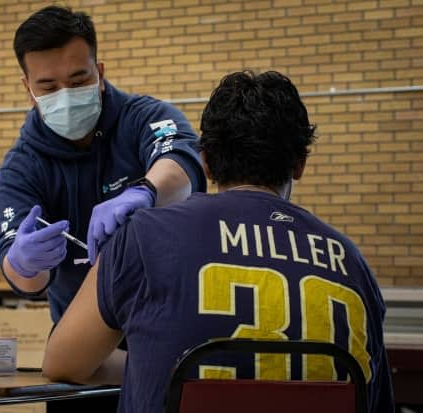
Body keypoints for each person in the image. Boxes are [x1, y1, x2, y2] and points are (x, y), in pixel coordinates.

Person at [42, 70, 395, 413]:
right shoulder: (352, 263)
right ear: (300, 164)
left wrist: (153, 363)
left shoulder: (143, 237)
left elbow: (62, 364)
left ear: (206, 162)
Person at [0, 7, 205, 337]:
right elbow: (27, 282)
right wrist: (25, 262)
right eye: (48, 87)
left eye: (78, 81)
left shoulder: (145, 116)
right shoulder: (21, 168)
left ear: (100, 73)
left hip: (169, 324)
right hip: (85, 342)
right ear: (28, 88)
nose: (65, 96)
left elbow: (182, 161)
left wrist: (146, 191)